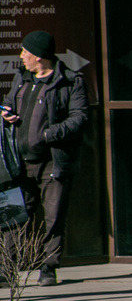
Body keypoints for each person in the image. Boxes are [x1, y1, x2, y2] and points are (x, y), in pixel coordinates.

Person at [1, 31, 89, 287]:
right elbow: (8, 102)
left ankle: (48, 267)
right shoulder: (22, 78)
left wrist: (49, 133)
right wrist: (6, 112)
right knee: (15, 214)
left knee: (53, 216)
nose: (22, 56)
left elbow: (80, 118)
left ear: (39, 56)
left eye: (25, 52)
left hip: (53, 161)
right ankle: (7, 268)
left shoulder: (70, 82)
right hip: (19, 161)